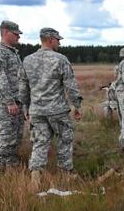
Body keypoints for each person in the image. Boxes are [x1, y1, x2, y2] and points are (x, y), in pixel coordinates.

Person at [20, 27, 83, 188]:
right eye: (58, 40)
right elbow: (70, 85)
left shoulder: (27, 60)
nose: (59, 43)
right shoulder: (60, 59)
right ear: (50, 40)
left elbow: (23, 88)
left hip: (37, 111)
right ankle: (65, 176)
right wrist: (77, 104)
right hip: (58, 110)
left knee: (39, 144)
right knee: (65, 140)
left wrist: (26, 107)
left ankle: (35, 181)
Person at [0, 20, 25, 187]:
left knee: (16, 137)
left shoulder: (13, 53)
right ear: (5, 32)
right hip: (7, 104)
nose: (18, 36)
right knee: (6, 136)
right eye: (15, 33)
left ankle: (11, 170)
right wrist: (9, 102)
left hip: (18, 102)